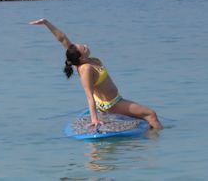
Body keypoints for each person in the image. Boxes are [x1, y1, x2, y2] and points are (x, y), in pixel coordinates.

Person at [30, 18, 162, 129]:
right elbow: (89, 96)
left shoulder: (81, 57)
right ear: (81, 57)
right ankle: (156, 141)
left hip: (113, 100)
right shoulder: (86, 68)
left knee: (145, 117)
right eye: (84, 48)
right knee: (151, 114)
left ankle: (148, 135)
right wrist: (94, 119)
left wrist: (46, 23)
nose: (86, 45)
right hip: (112, 104)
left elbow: (63, 39)